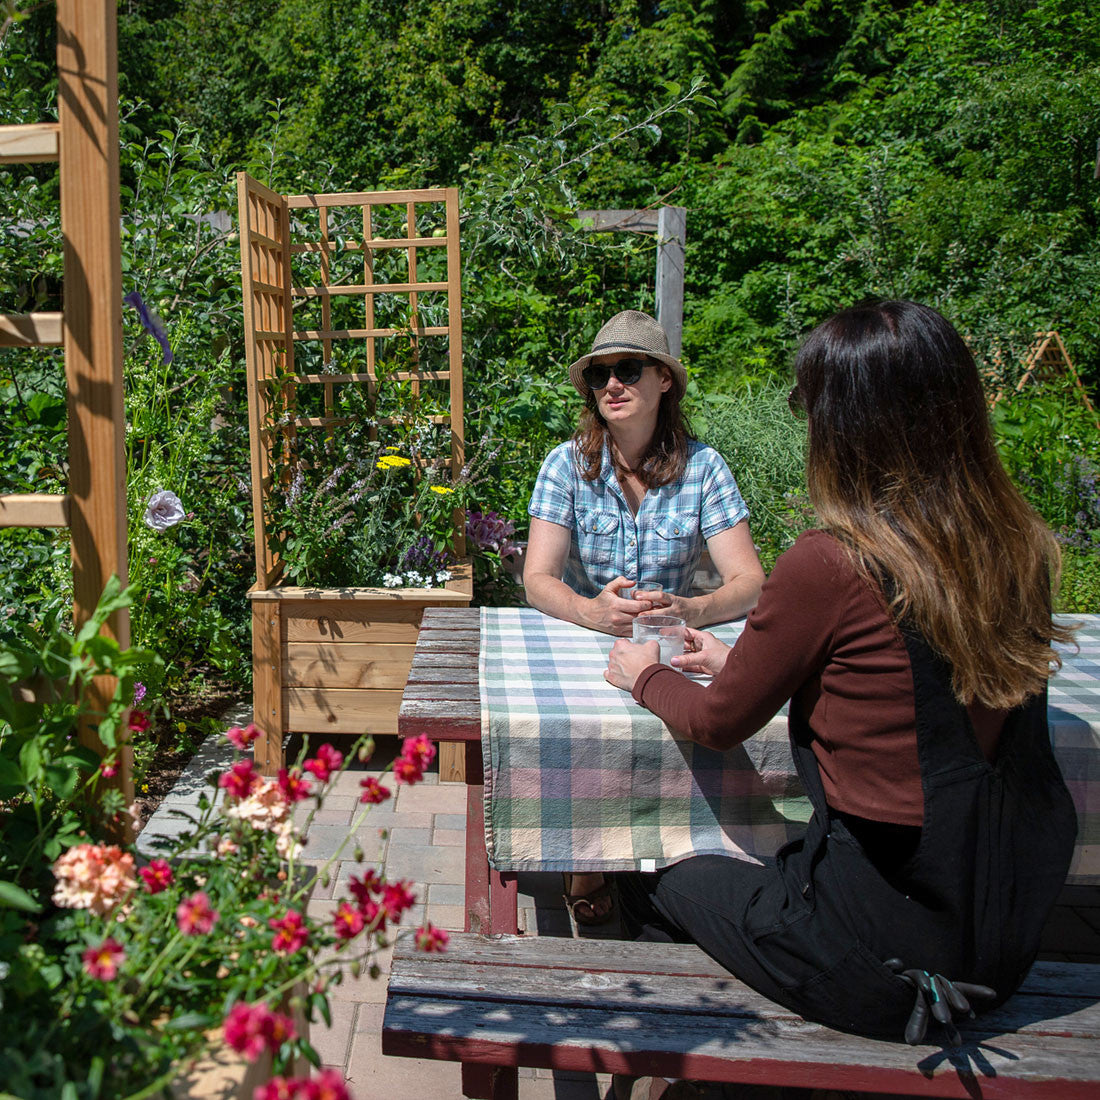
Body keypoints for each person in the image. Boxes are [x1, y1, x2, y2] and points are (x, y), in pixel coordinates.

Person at [604, 300, 1077, 1050]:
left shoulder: (831, 562)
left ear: (847, 423)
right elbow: (918, 692)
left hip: (879, 963)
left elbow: (717, 723)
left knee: (647, 873)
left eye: (808, 404)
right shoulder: (1016, 548)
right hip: (997, 942)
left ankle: (702, 1063)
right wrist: (748, 664)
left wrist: (643, 676)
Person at [525, 309, 765, 925]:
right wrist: (592, 610)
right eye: (599, 374)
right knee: (574, 730)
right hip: (586, 640)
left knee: (701, 718)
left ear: (663, 380)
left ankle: (682, 847)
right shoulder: (566, 464)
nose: (612, 384)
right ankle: (586, 856)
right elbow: (537, 579)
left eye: (628, 369)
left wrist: (694, 607)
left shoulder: (704, 467)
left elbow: (749, 582)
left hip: (670, 640)